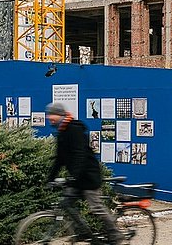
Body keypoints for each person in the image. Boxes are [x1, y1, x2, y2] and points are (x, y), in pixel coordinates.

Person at [46, 102, 122, 244]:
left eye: (52, 114)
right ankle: (82, 232)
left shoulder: (74, 129)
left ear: (60, 115)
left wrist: (73, 176)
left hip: (88, 176)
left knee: (96, 207)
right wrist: (50, 178)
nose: (49, 117)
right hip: (77, 179)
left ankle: (115, 233)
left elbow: (80, 155)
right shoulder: (62, 131)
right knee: (67, 204)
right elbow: (59, 158)